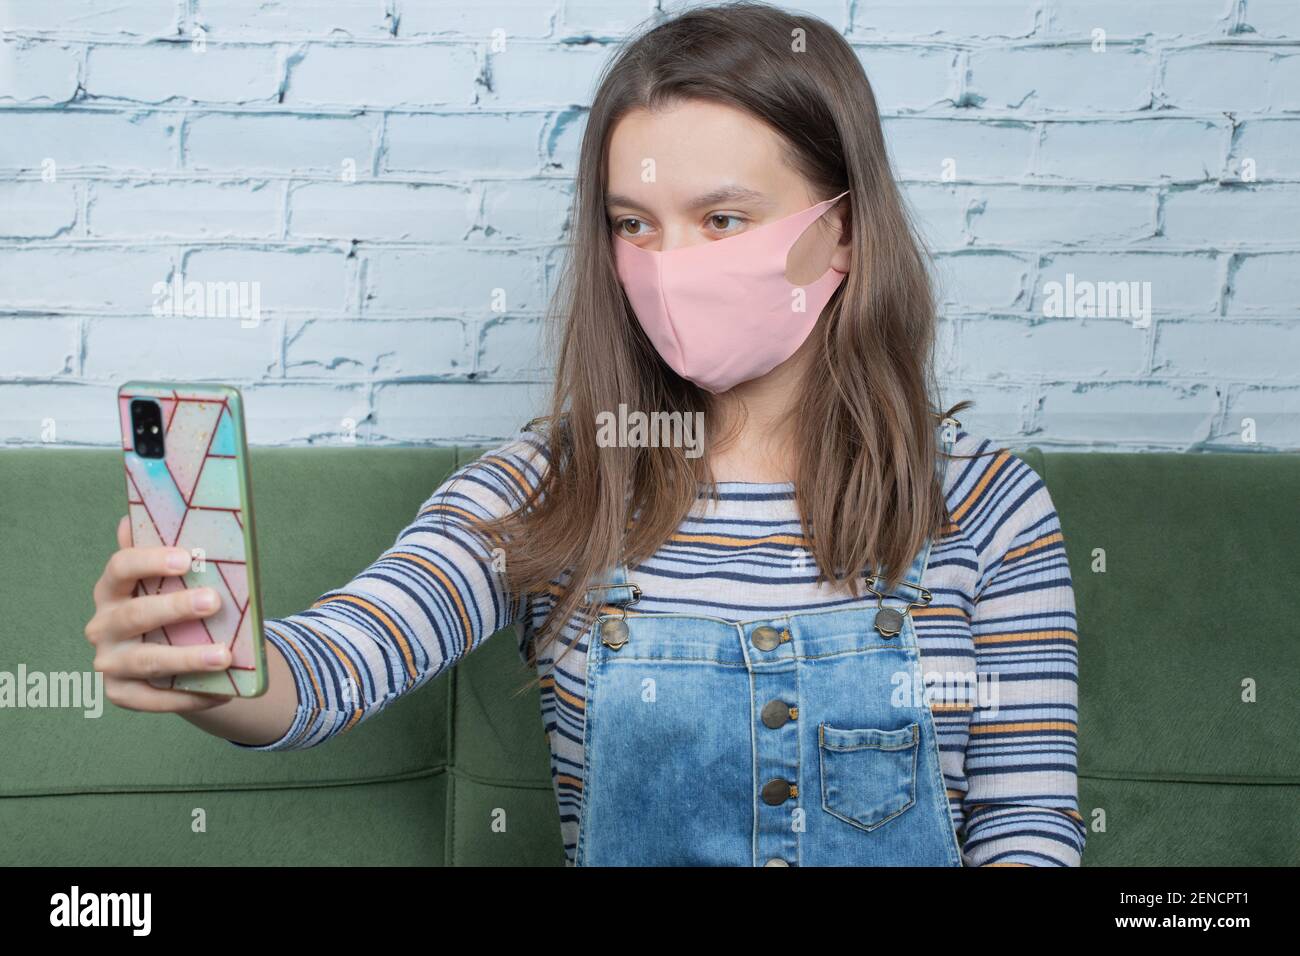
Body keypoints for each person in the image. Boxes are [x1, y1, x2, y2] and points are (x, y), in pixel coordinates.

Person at [83, 1, 1085, 867]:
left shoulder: (988, 508)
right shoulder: (544, 486)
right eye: (631, 223)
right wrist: (209, 663)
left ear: (845, 228)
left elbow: (1028, 825)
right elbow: (337, 669)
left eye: (722, 219)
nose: (666, 262)